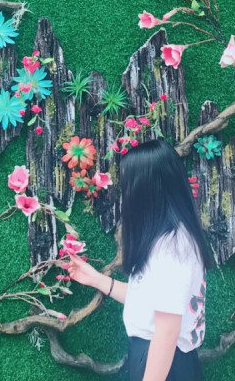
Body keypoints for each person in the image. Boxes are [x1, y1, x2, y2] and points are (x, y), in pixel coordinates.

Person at [67, 139, 213, 381]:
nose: (125, 193)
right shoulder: (168, 238)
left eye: (129, 184)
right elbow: (150, 300)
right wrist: (95, 279)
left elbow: (167, 332)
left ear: (146, 189)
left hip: (165, 362)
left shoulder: (172, 247)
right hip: (161, 358)